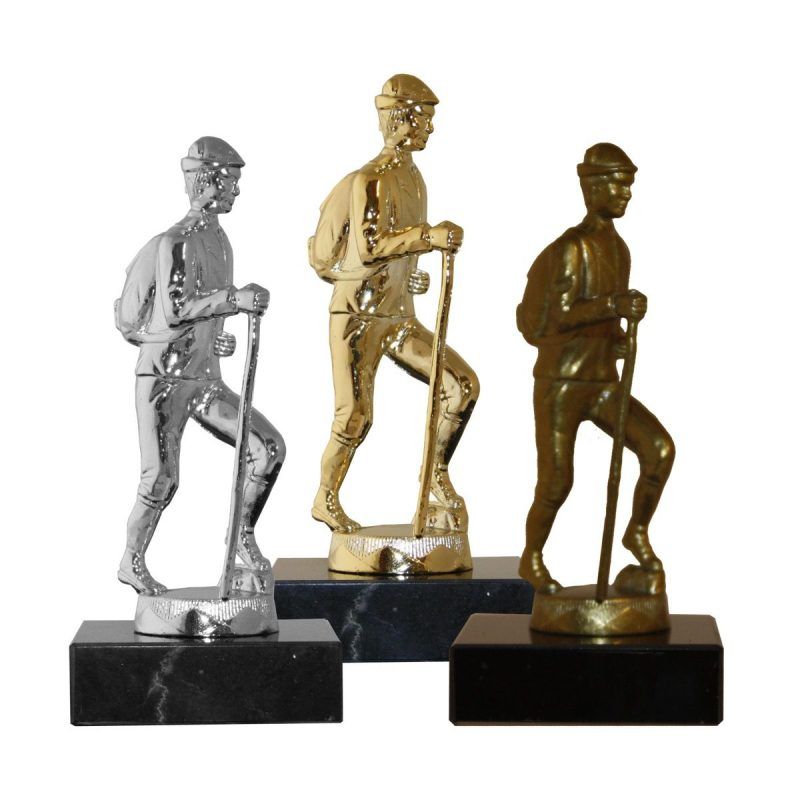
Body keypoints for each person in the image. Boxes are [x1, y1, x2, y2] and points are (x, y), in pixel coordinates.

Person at [308, 74, 479, 532]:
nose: (430, 128)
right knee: (356, 416)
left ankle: (435, 476)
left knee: (460, 385)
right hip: (358, 316)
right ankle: (325, 497)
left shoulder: (414, 179)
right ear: (399, 118)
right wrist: (428, 237)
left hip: (399, 316)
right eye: (424, 118)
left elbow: (396, 252)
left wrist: (412, 274)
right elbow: (369, 248)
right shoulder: (371, 179)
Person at [117, 136, 285, 595]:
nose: (236, 190)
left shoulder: (220, 241)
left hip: (205, 378)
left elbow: (201, 313)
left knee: (266, 447)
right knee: (162, 478)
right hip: (164, 379)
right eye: (230, 181)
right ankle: (131, 561)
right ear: (205, 180)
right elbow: (175, 310)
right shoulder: (177, 241)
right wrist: (234, 299)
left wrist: (217, 338)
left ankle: (241, 538)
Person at [516, 143, 674, 593]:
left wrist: (619, 337)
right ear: (592, 187)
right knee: (556, 482)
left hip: (603, 382)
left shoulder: (619, 250)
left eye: (629, 185)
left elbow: (602, 322)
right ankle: (531, 558)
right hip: (562, 385)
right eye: (618, 184)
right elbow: (551, 320)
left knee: (659, 449)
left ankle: (636, 532)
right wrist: (612, 306)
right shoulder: (569, 249)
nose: (626, 193)